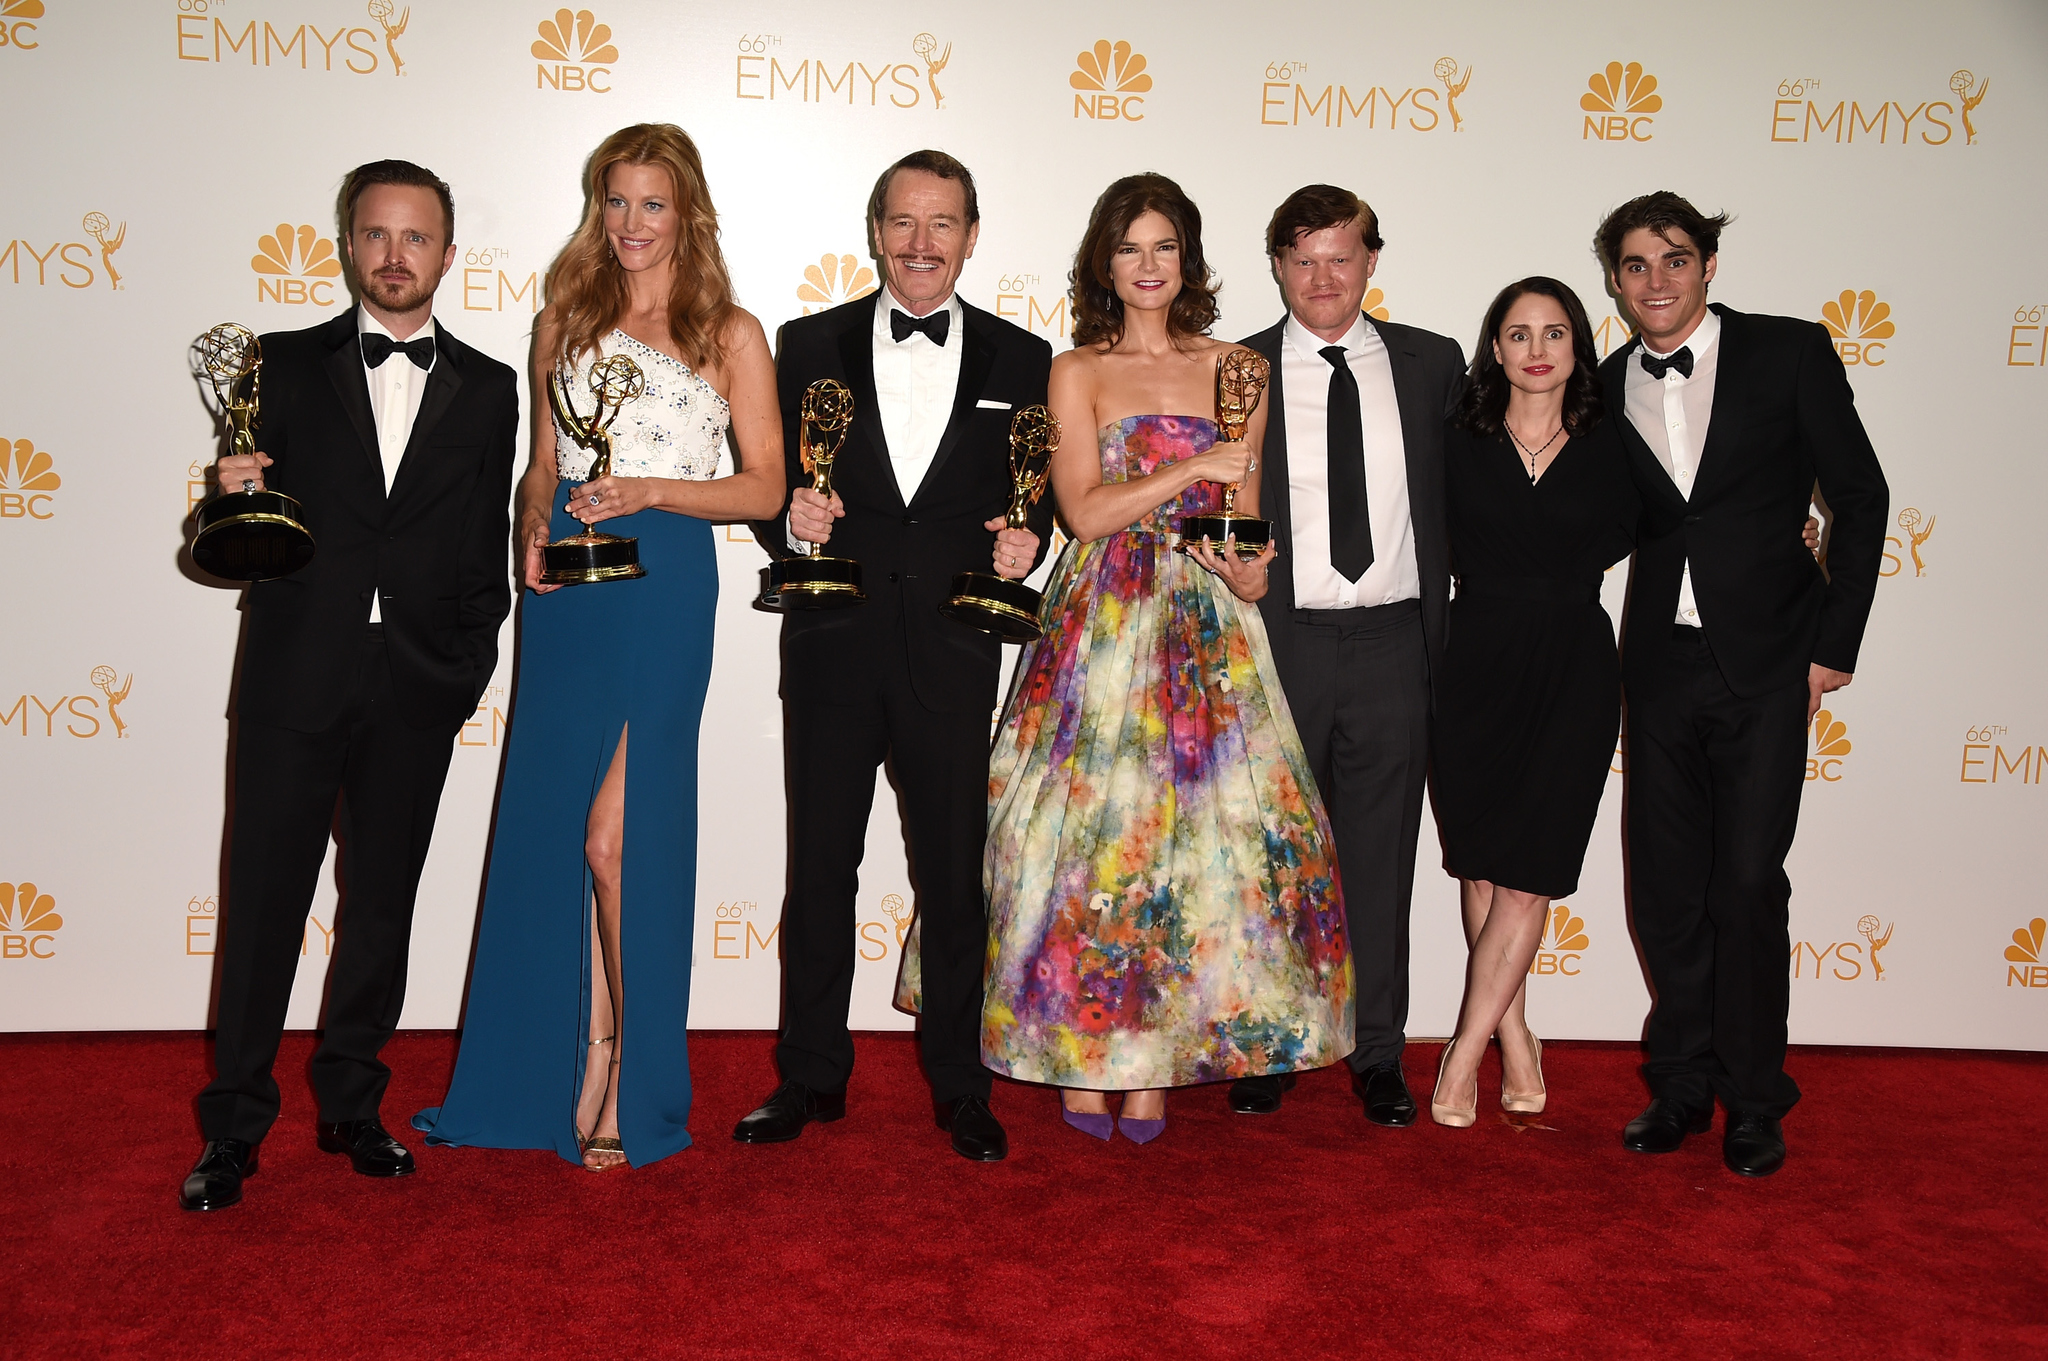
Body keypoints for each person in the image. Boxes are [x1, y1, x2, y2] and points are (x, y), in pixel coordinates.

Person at [413, 124, 783, 1171]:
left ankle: (631, 1067)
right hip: (568, 586)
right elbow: (542, 463)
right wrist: (531, 523)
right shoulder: (561, 320)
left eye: (651, 204)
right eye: (614, 202)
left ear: (687, 213)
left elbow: (762, 486)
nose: (629, 224)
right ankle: (553, 1064)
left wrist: (657, 489)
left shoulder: (730, 332)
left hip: (665, 582)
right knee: (547, 831)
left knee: (619, 841)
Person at [980, 173, 1354, 1143]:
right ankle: (1076, 1048)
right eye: (1128, 248)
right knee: (1088, 847)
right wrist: (1188, 468)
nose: (1147, 267)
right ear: (1103, 262)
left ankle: (1153, 1062)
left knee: (1194, 851)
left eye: (1164, 247)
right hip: (1102, 620)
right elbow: (1084, 512)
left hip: (1202, 625)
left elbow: (1243, 521)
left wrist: (1249, 573)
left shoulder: (1236, 368)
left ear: (1186, 257)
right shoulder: (1077, 370)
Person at [181, 160, 519, 1212]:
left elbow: (482, 549)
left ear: (448, 255)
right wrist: (220, 498)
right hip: (293, 677)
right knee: (263, 908)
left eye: (415, 238)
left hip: (414, 684)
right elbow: (225, 540)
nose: (393, 256)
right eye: (375, 235)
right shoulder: (274, 365)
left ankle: (350, 1104)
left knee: (380, 908)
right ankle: (233, 1126)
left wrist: (463, 669)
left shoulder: (493, 385)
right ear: (347, 246)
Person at [1427, 279, 1828, 1128]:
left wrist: (1798, 531)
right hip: (1475, 665)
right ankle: (1515, 1036)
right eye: (1517, 333)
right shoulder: (1455, 440)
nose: (1537, 349)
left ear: (1580, 348)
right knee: (1483, 866)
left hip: (1573, 667)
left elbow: (1698, 513)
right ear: (1493, 348)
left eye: (1556, 333)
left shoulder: (1617, 441)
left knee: (1530, 876)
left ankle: (1461, 1053)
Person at [735, 150, 1053, 1163]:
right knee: (820, 868)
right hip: (832, 639)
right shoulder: (803, 343)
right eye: (904, 223)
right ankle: (808, 1075)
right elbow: (772, 488)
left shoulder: (1022, 355)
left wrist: (1028, 540)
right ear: (875, 230)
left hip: (954, 648)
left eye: (943, 223)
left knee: (953, 879)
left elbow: (1029, 489)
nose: (922, 244)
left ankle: (959, 1081)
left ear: (970, 233)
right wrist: (791, 521)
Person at [1597, 191, 1887, 1177]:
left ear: (1707, 265)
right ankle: (1678, 1084)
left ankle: (1754, 1099)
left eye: (1673, 259)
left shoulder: (1788, 352)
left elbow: (1856, 494)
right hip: (1659, 667)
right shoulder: (1601, 384)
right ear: (1615, 280)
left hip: (1766, 664)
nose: (1655, 281)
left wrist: (1832, 639)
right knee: (1666, 892)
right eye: (1635, 265)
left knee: (1747, 886)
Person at [1229, 185, 1465, 1125]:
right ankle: (1270, 1045)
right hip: (1278, 638)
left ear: (1372, 261)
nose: (1322, 278)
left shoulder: (1432, 364)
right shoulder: (1237, 367)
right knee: (1270, 853)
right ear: (1277, 265)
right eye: (1302, 258)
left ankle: (1376, 1052)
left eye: (1341, 256)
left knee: (1380, 855)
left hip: (1395, 640)